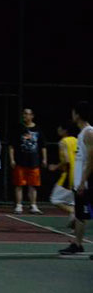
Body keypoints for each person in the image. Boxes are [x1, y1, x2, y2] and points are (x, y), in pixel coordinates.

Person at [59, 101, 93, 256]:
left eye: (73, 112)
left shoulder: (89, 133)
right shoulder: (81, 133)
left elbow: (92, 160)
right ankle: (77, 244)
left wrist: (83, 181)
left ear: (78, 114)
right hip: (81, 182)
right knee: (79, 215)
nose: (72, 115)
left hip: (88, 182)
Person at [9, 108, 47, 214]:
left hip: (34, 161)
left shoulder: (38, 129)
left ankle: (33, 205)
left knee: (33, 185)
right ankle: (19, 205)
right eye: (24, 114)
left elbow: (43, 146)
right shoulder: (18, 128)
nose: (25, 116)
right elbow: (11, 145)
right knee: (19, 184)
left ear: (32, 116)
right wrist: (12, 159)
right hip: (20, 161)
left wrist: (44, 159)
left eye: (28, 114)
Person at [48, 123, 77, 228]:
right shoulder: (77, 140)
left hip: (69, 174)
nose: (58, 129)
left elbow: (66, 160)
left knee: (55, 199)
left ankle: (73, 212)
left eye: (60, 128)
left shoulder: (63, 142)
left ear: (65, 130)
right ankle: (75, 224)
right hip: (79, 174)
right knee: (73, 201)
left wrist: (55, 167)